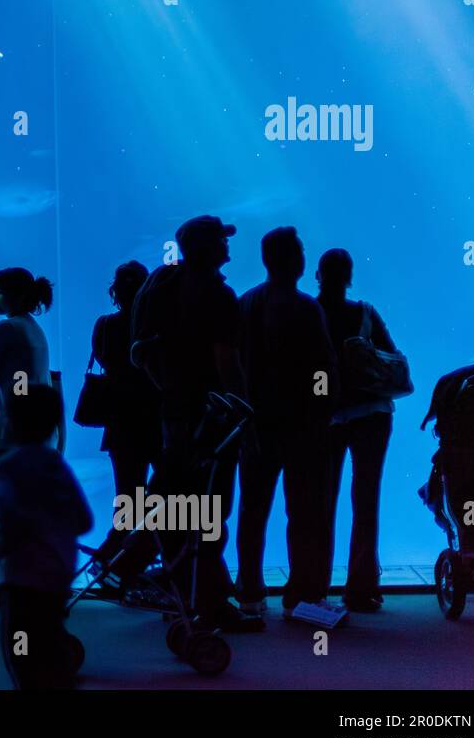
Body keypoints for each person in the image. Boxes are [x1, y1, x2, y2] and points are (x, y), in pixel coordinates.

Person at [130, 215, 261, 633]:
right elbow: (227, 361)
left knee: (176, 502)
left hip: (174, 413)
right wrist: (244, 413)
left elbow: (140, 352)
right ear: (208, 247)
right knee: (212, 507)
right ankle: (209, 602)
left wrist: (170, 390)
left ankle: (181, 590)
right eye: (222, 240)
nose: (228, 246)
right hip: (214, 418)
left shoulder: (162, 286)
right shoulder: (220, 297)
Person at [235, 228, 344, 626]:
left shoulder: (244, 303)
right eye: (299, 250)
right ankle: (302, 596)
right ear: (289, 258)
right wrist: (324, 409)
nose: (303, 255)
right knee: (304, 512)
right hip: (302, 427)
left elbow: (233, 367)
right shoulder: (305, 307)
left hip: (254, 427)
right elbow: (322, 368)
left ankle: (249, 593)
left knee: (252, 510)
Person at [0, 384, 92, 690]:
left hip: (20, 582)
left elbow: (6, 528)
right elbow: (84, 520)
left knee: (19, 647)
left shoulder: (7, 467)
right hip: (56, 578)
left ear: (9, 422)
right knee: (49, 638)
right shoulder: (57, 466)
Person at [316, 248, 400, 613]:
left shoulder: (309, 312)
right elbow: (393, 358)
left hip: (324, 417)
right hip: (372, 413)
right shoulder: (366, 313)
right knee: (366, 501)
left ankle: (314, 586)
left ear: (318, 275)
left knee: (322, 503)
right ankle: (361, 588)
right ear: (349, 276)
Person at [0, 267, 53, 606]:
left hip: (8, 435)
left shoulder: (6, 329)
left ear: (15, 296)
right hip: (36, 437)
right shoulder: (35, 330)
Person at [87, 261, 161, 566]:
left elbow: (103, 360)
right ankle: (144, 557)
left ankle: (116, 559)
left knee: (127, 495)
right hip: (156, 418)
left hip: (120, 420)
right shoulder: (156, 330)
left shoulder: (105, 325)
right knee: (168, 493)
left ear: (115, 290)